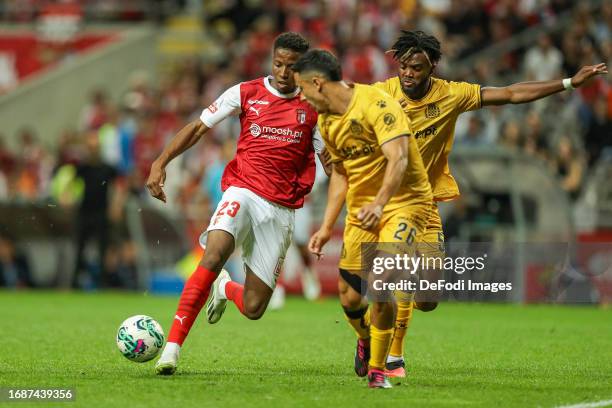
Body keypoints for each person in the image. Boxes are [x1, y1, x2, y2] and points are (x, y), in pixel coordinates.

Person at [368, 30, 608, 378]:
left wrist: (569, 82)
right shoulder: (381, 94)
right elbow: (342, 106)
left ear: (432, 66)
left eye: (416, 68)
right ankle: (392, 357)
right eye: (403, 66)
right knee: (396, 269)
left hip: (426, 202)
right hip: (388, 201)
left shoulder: (451, 94)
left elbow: (511, 94)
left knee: (428, 298)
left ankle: (387, 344)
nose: (407, 74)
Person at [147, 32, 326, 375]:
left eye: (292, 67)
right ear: (271, 60)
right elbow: (199, 127)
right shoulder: (246, 92)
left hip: (280, 210)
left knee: (256, 307)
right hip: (242, 191)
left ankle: (226, 288)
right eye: (278, 64)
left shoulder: (314, 108)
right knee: (213, 254)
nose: (284, 72)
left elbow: (332, 162)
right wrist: (161, 162)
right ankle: (171, 349)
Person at [294, 49, 433, 388]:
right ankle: (366, 337)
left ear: (317, 83)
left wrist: (380, 203)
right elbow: (341, 174)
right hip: (362, 210)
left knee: (383, 279)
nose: (300, 97)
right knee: (349, 296)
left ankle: (378, 370)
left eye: (302, 89)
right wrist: (326, 227)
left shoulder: (376, 103)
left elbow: (398, 157)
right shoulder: (328, 122)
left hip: (404, 202)